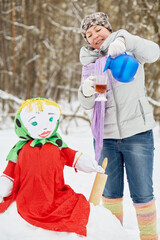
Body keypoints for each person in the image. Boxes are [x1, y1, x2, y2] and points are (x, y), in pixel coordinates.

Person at [78, 12, 160, 240]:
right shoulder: (89, 64)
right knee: (111, 194)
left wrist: (125, 40)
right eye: (89, 34)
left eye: (98, 30)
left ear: (109, 28)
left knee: (143, 194)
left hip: (137, 134)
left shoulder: (129, 48)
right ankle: (114, 236)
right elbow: (87, 104)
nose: (94, 36)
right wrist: (85, 90)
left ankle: (149, 237)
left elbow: (155, 52)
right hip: (106, 138)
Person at [0, 98, 104, 236]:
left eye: (50, 121)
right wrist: (4, 185)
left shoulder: (57, 145)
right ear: (22, 125)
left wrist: (90, 165)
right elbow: (11, 170)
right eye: (35, 123)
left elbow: (72, 156)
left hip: (55, 192)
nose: (44, 128)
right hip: (28, 196)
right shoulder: (20, 149)